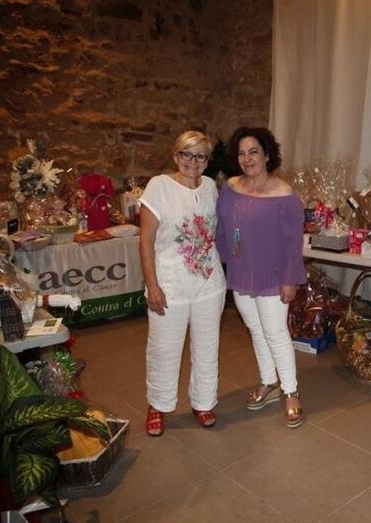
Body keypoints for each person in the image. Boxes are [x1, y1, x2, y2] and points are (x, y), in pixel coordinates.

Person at [216, 126, 307, 428]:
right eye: (241, 153)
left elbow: (294, 244)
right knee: (255, 329)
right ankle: (269, 382)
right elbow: (222, 228)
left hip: (273, 275)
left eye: (253, 151)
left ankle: (291, 391)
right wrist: (221, 260)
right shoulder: (230, 188)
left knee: (275, 332)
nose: (247, 158)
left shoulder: (284, 195)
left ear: (267, 155)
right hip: (241, 271)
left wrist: (290, 279)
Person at [139, 130, 226, 437]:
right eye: (187, 154)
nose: (193, 161)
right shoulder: (158, 186)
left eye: (200, 156)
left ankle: (203, 402)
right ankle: (158, 405)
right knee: (164, 349)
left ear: (208, 160)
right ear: (176, 156)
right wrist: (152, 285)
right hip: (170, 286)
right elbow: (146, 241)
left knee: (207, 348)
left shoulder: (211, 186)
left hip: (209, 285)